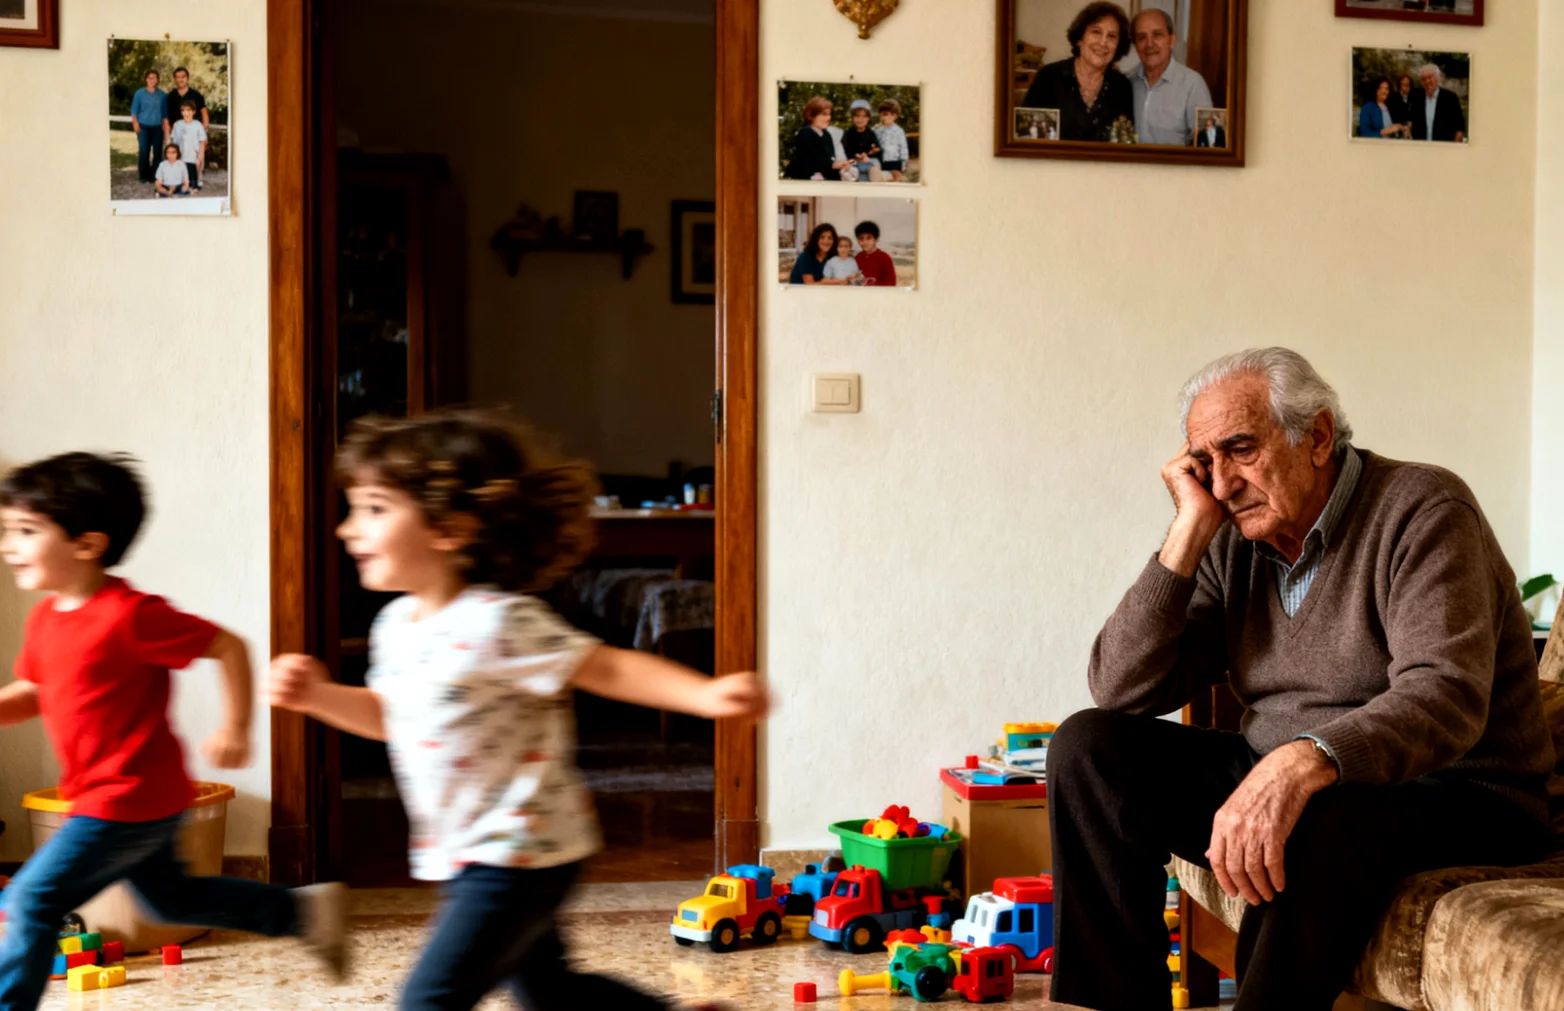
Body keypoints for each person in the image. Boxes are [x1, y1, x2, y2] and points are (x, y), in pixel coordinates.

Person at [1048, 347, 1554, 1011]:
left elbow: (1446, 696)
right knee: (1090, 750)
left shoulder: (1424, 508)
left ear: (1316, 437)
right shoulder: (1232, 538)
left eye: (1241, 449)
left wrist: (1306, 760)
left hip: (1459, 790)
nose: (1223, 483)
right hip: (1297, 774)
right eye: (1206, 461)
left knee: (1311, 811)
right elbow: (1121, 686)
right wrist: (1187, 529)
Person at [269, 411, 769, 1011]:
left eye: (374, 509)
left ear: (450, 527)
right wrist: (318, 697)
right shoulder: (395, 625)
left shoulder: (497, 620)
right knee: (550, 991)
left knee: (430, 999)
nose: (348, 529)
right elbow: (391, 716)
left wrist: (704, 695)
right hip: (472, 850)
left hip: (518, 851)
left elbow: (603, 666)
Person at [0, 453, 346, 1009]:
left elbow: (227, 645)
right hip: (121, 798)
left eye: (25, 531)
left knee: (32, 901)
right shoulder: (45, 620)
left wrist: (236, 725)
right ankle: (298, 911)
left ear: (87, 544)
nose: (7, 545)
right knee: (169, 900)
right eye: (6, 530)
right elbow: (36, 695)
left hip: (126, 796)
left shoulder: (129, 615)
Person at [1020, 2, 1135, 143]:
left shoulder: (1122, 87)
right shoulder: (1048, 77)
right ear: (1080, 39)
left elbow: (1125, 144)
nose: (1103, 43)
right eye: (1096, 32)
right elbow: (1024, 135)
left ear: (1118, 46)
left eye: (1112, 36)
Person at [1128, 9, 1213, 146]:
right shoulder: (1127, 82)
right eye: (1141, 37)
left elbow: (1207, 143)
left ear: (1171, 40)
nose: (1149, 44)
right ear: (1135, 46)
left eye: (1157, 35)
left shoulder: (1193, 84)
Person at [785, 96, 851, 180]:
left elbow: (829, 159)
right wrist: (833, 165)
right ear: (811, 115)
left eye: (829, 114)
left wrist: (841, 165)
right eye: (824, 114)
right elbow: (809, 161)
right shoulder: (805, 134)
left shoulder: (827, 135)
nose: (828, 118)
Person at [129, 69, 169, 184]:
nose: (152, 80)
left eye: (154, 78)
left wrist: (166, 129)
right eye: (149, 77)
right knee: (144, 151)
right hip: (143, 127)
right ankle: (143, 175)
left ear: (157, 80)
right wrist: (135, 123)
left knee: (157, 152)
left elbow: (165, 114)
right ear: (146, 79)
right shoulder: (139, 93)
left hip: (157, 128)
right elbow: (134, 111)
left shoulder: (162, 95)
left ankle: (154, 176)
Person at [1411, 63, 1466, 142]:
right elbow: (1411, 120)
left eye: (1430, 77)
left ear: (1437, 78)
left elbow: (1460, 126)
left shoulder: (1450, 98)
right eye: (1423, 79)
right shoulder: (1417, 98)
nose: (1427, 81)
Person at [170, 101, 209, 191]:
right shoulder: (177, 124)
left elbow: (202, 142)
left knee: (194, 178)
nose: (186, 113)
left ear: (193, 112)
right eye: (183, 110)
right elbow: (173, 142)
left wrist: (200, 156)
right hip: (181, 154)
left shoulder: (198, 125)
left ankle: (196, 182)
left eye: (188, 110)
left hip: (193, 155)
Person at [841, 99, 882, 182]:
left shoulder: (871, 133)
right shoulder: (848, 133)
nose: (860, 119)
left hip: (868, 163)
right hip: (854, 164)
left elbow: (877, 150)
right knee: (849, 171)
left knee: (875, 166)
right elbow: (844, 150)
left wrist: (868, 155)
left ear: (868, 118)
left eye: (864, 116)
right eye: (857, 116)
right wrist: (855, 155)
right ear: (852, 117)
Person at [873, 98, 910, 180]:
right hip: (880, 162)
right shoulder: (876, 130)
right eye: (885, 114)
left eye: (892, 114)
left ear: (896, 116)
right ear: (880, 115)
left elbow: (904, 148)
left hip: (895, 163)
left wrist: (903, 163)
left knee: (894, 180)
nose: (888, 116)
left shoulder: (899, 131)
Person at [854, 220, 897, 287]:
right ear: (858, 241)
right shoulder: (857, 258)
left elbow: (891, 282)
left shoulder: (884, 258)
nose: (865, 242)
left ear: (876, 240)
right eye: (861, 238)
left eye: (868, 238)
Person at [1389, 71, 1415, 136]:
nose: (1405, 88)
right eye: (1403, 84)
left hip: (1410, 131)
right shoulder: (1393, 98)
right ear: (1399, 85)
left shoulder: (1413, 98)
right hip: (1397, 131)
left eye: (1407, 85)